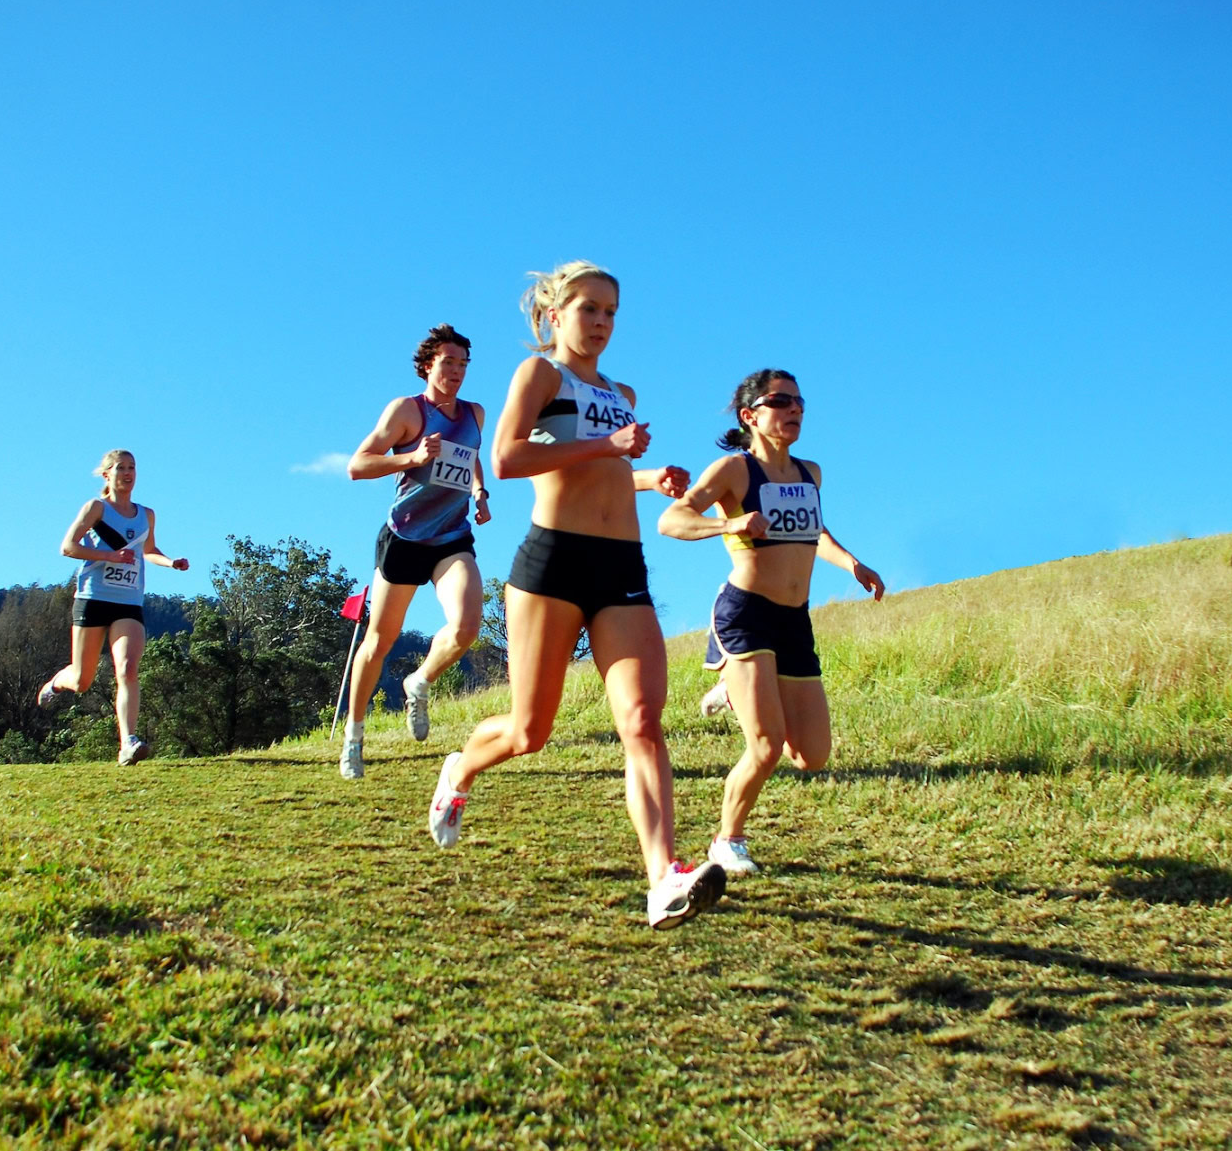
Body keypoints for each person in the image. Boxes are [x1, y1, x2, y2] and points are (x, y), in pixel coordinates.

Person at [426, 260, 726, 929]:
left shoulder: (623, 391)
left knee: (643, 722)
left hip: (620, 566)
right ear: (554, 312)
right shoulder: (539, 375)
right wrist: (607, 444)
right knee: (530, 731)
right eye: (588, 308)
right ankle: (461, 769)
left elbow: (606, 467)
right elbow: (505, 460)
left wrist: (649, 478)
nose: (600, 323)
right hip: (551, 564)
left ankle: (662, 877)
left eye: (611, 312)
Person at [658, 369, 884, 875]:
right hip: (746, 614)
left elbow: (814, 532)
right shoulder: (734, 471)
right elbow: (672, 519)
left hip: (794, 621)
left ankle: (733, 689)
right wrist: (729, 521)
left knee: (812, 756)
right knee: (765, 746)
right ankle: (727, 841)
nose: (794, 409)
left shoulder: (810, 474)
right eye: (780, 401)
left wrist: (852, 564)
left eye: (800, 401)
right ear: (750, 415)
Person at [339, 324, 492, 778]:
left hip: (452, 536)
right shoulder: (407, 410)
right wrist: (410, 458)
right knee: (378, 642)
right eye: (448, 363)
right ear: (428, 365)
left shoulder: (475, 413)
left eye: (463, 364)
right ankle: (354, 735)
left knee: (467, 626)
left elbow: (471, 454)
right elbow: (357, 466)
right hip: (404, 537)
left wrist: (480, 491)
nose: (457, 372)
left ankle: (420, 680)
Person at [36, 449, 189, 765]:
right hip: (93, 597)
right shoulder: (97, 508)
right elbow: (67, 547)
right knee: (82, 680)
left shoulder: (146, 515)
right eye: (121, 468)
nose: (128, 473)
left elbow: (148, 550)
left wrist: (170, 562)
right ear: (107, 475)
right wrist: (109, 556)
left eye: (132, 467)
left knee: (128, 668)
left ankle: (127, 743)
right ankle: (55, 682)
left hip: (128, 602)